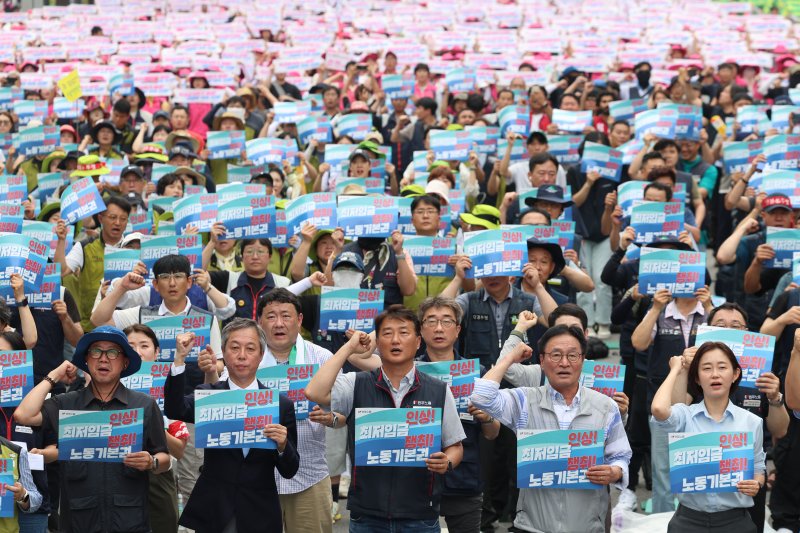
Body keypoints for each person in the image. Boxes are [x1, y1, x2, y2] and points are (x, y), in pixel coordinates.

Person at [306, 305, 466, 533]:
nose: (395, 340)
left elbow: (455, 446)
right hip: (367, 516)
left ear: (418, 341)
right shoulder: (356, 383)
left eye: (404, 332)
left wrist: (447, 461)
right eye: (387, 334)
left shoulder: (438, 390)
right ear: (377, 344)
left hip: (420, 515)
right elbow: (314, 392)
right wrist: (349, 348)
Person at [470, 324, 632, 533]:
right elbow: (481, 396)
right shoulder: (524, 400)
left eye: (572, 355)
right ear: (542, 361)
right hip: (532, 526)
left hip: (587, 526)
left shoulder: (605, 405)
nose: (564, 363)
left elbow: (620, 455)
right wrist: (509, 358)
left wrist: (614, 472)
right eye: (555, 355)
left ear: (583, 360)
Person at [14, 326, 170, 533]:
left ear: (125, 362)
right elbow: (23, 415)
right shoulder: (66, 404)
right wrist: (54, 375)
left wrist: (152, 461)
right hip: (79, 521)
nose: (103, 359)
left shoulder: (144, 404)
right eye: (96, 351)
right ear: (86, 361)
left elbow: (164, 458)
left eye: (112, 352)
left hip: (130, 521)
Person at [164, 318, 299, 533]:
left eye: (250, 348)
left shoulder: (280, 405)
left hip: (260, 510)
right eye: (234, 348)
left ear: (261, 355)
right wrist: (180, 358)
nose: (242, 355)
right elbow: (174, 409)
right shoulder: (210, 395)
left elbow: (290, 470)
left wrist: (283, 446)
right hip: (215, 508)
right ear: (224, 353)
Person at [671, 303, 788, 533]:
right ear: (708, 331)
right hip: (699, 484)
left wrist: (775, 397)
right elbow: (675, 409)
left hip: (744, 482)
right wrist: (683, 368)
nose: (729, 331)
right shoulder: (699, 371)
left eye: (736, 326)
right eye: (720, 326)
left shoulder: (761, 374)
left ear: (747, 332)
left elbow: (780, 430)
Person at [651, 342, 766, 533]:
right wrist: (676, 369)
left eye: (722, 367)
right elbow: (658, 409)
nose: (715, 374)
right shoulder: (684, 415)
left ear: (735, 374)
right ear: (696, 378)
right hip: (688, 520)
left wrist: (757, 483)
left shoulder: (751, 421)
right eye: (706, 368)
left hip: (735, 521)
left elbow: (759, 467)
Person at [417, 296, 500, 533]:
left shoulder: (477, 374)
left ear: (458, 330)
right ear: (421, 330)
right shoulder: (408, 371)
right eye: (431, 321)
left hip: (465, 476)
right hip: (417, 477)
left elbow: (493, 433)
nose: (439, 328)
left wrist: (487, 417)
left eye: (447, 321)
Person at [123, 324, 189, 533]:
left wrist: (155, 422)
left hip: (159, 476)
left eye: (144, 345)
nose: (138, 352)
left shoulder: (169, 388)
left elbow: (179, 450)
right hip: (119, 475)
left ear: (157, 351)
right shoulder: (106, 386)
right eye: (130, 346)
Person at [54, 195, 132, 332]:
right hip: (91, 327)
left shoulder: (134, 247)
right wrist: (61, 241)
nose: (118, 223)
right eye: (113, 217)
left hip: (125, 327)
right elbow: (60, 271)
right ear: (101, 219)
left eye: (123, 219)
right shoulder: (85, 246)